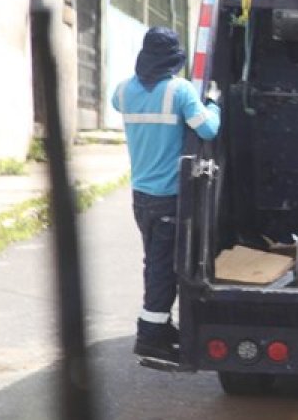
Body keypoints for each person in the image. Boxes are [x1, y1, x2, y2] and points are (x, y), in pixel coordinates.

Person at [112, 27, 221, 362]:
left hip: (141, 195)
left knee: (155, 262)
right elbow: (208, 129)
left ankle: (159, 325)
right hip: (168, 197)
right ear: (175, 59)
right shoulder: (179, 91)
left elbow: (117, 104)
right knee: (164, 268)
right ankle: (150, 336)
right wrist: (215, 104)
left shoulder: (122, 91)